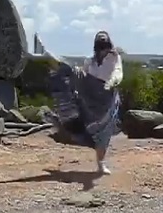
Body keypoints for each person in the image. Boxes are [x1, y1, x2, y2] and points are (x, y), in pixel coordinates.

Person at [48, 31, 122, 176]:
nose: (103, 49)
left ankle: (100, 164)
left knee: (103, 134)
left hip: (105, 101)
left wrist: (112, 82)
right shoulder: (90, 61)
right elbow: (82, 76)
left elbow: (117, 73)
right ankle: (52, 60)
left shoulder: (114, 58)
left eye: (105, 45)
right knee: (70, 72)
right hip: (90, 95)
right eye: (100, 46)